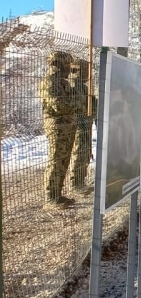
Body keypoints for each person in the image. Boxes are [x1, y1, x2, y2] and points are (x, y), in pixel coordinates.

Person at [41, 51, 79, 206]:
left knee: (64, 160)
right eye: (67, 64)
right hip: (57, 127)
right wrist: (76, 104)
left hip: (66, 126)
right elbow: (59, 105)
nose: (69, 68)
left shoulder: (62, 82)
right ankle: (50, 197)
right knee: (56, 160)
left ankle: (57, 194)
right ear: (58, 64)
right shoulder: (50, 82)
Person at [69, 59, 95, 190]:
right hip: (79, 125)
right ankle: (76, 183)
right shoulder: (72, 87)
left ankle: (80, 181)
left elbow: (92, 106)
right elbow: (73, 108)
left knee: (85, 152)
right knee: (79, 152)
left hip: (86, 124)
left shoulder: (83, 87)